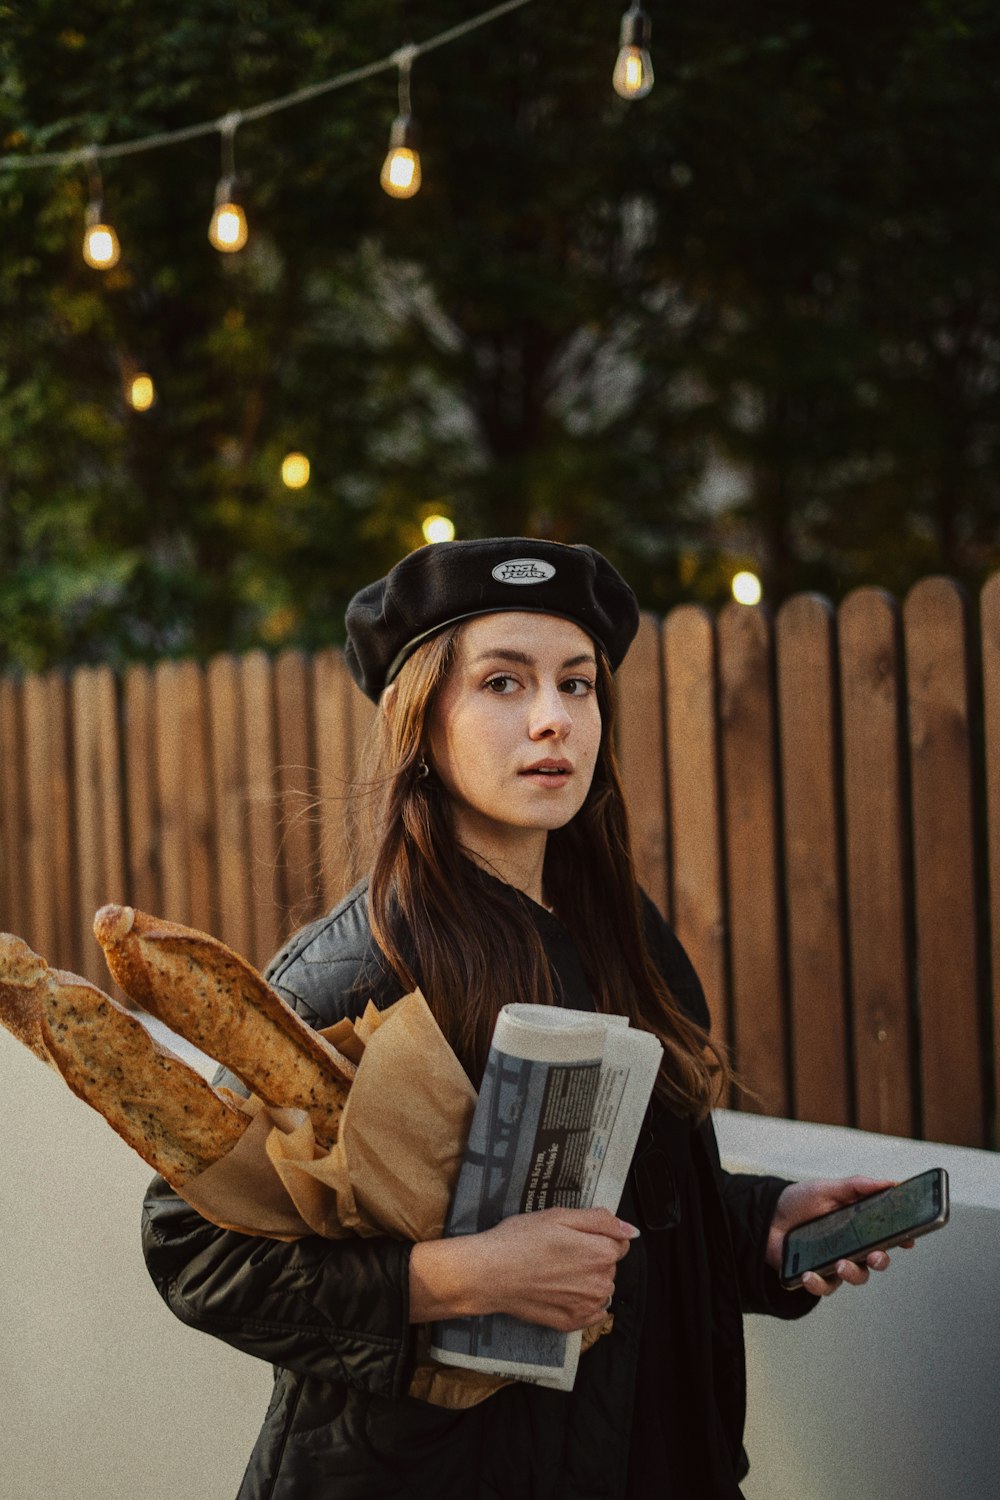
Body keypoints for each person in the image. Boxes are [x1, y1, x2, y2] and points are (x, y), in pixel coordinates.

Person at [142, 537, 902, 1500]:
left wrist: (759, 1226)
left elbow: (626, 1208)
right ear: (423, 718)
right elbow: (191, 1247)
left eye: (576, 685)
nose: (553, 720)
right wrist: (461, 1280)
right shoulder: (357, 969)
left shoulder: (627, 935)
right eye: (504, 683)